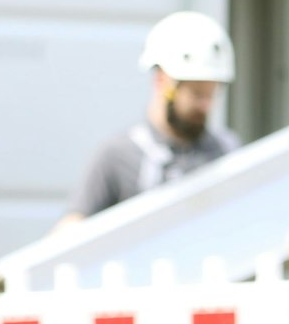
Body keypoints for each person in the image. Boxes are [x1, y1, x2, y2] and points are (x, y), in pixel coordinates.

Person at [63, 11, 241, 222]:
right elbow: (72, 230)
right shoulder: (118, 155)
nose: (206, 106)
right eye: (196, 94)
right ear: (162, 81)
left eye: (211, 95)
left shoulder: (226, 152)